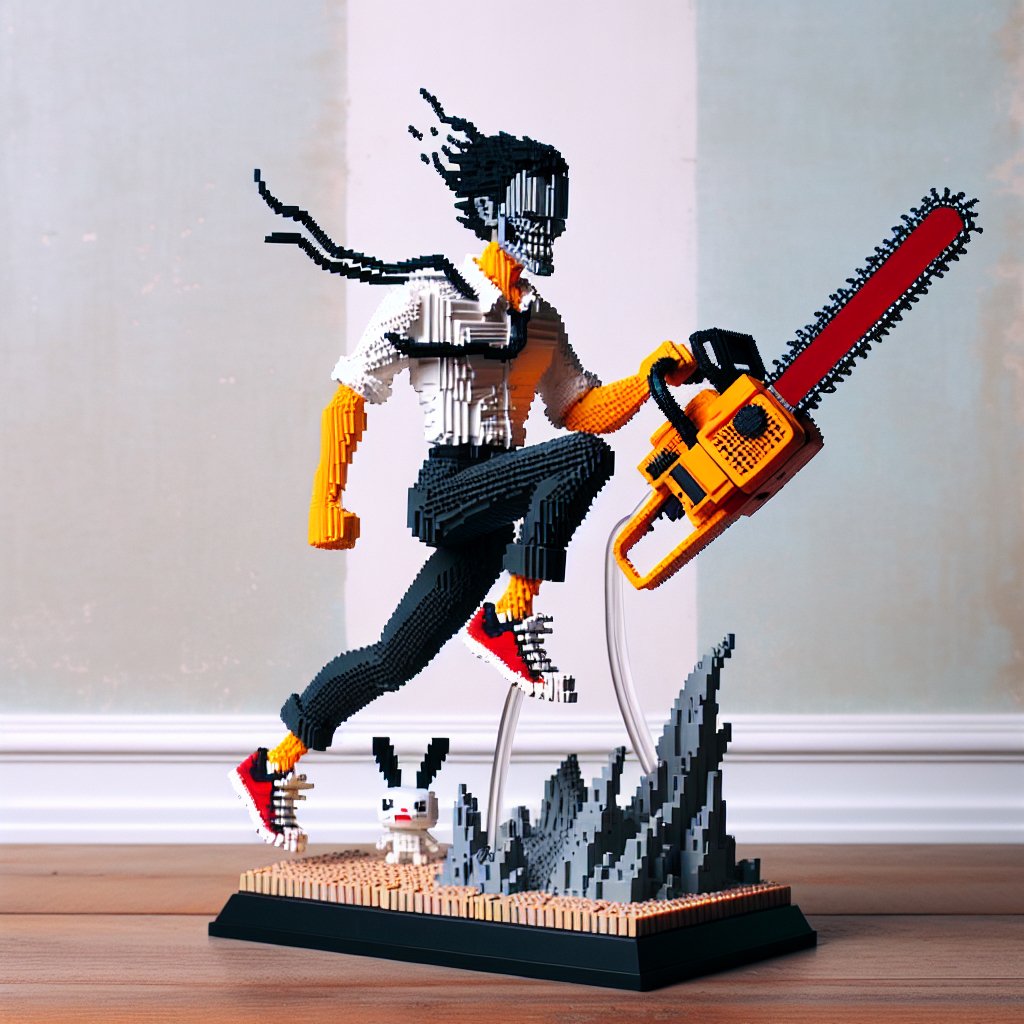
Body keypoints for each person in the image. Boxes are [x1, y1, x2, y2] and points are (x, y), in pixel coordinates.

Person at [231, 90, 689, 851]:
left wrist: (651, 377)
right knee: (586, 461)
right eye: (532, 208)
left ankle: (270, 763)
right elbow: (351, 394)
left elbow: (579, 410)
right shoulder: (429, 301)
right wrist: (326, 499)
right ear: (487, 210)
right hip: (449, 489)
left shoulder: (540, 321)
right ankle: (509, 614)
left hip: (500, 500)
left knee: (394, 660)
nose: (546, 225)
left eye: (556, 209)